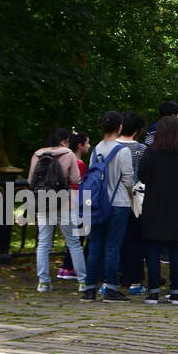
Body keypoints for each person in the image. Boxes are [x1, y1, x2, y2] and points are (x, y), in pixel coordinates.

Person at [137, 115, 178, 305]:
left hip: (154, 204)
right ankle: (176, 291)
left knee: (153, 249)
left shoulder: (151, 151)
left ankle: (154, 291)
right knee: (176, 250)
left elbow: (142, 176)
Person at [80, 111, 136, 302]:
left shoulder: (96, 150)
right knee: (113, 246)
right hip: (118, 203)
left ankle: (89, 288)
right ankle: (111, 288)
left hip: (97, 204)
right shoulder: (123, 151)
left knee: (95, 245)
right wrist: (132, 198)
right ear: (119, 127)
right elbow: (128, 180)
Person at [31, 128, 86, 292]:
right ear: (64, 141)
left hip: (42, 202)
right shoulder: (68, 154)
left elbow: (30, 179)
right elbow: (76, 179)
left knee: (43, 243)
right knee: (74, 243)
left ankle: (43, 282)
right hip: (64, 203)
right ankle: (83, 281)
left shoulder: (37, 154)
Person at [116, 110, 148, 296]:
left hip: (113, 200)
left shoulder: (109, 147)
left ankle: (114, 276)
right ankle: (135, 280)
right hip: (136, 200)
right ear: (137, 130)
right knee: (136, 241)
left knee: (115, 240)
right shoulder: (141, 149)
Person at [56, 131, 90, 280]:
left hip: (66, 201)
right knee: (78, 237)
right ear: (80, 145)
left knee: (73, 237)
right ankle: (72, 268)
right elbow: (79, 184)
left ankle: (66, 267)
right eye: (87, 143)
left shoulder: (66, 161)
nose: (89, 146)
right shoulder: (79, 164)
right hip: (78, 202)